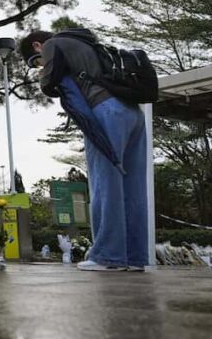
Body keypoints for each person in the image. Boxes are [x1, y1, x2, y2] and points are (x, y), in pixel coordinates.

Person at [20, 28, 148, 272]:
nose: (40, 65)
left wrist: (44, 74)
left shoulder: (53, 44)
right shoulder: (87, 43)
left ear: (37, 46)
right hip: (132, 113)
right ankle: (134, 257)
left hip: (105, 111)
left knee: (104, 185)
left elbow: (49, 82)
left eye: (36, 62)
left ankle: (107, 256)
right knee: (133, 187)